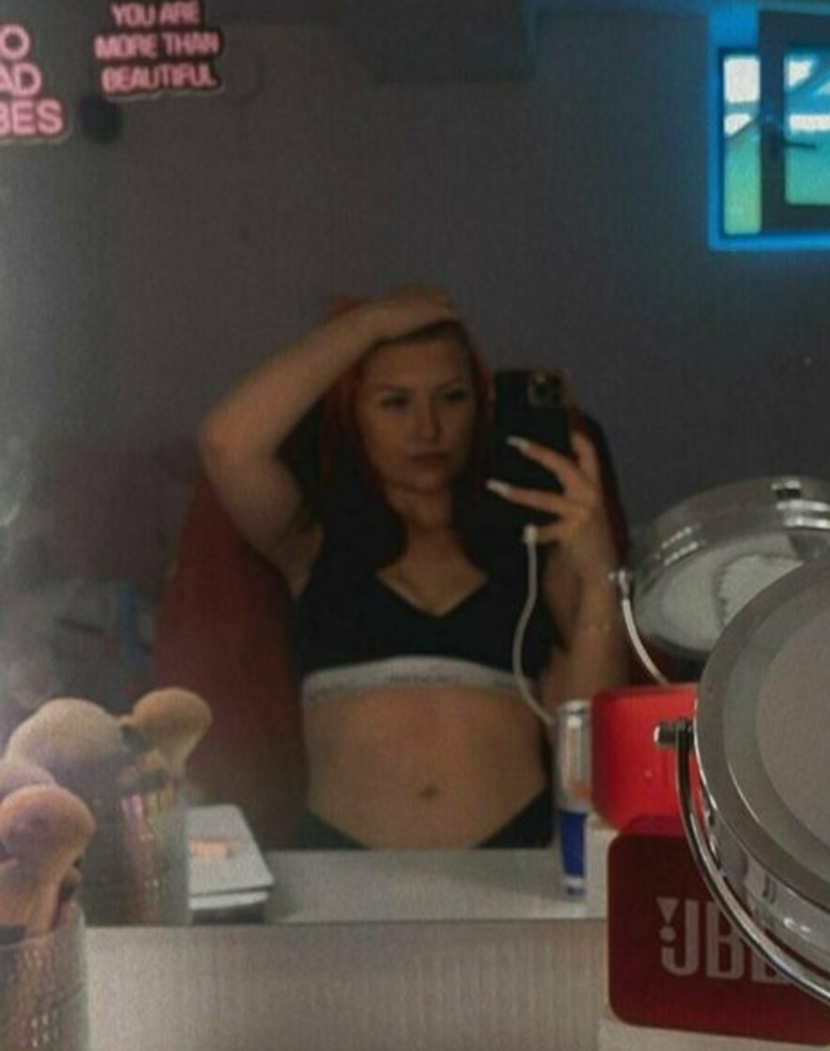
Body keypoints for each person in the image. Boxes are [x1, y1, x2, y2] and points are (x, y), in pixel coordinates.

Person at [194, 287, 630, 849]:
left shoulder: (528, 545)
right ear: (354, 410)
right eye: (395, 402)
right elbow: (226, 443)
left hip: (509, 860)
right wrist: (369, 323)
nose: (427, 428)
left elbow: (592, 742)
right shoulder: (313, 540)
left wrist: (599, 575)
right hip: (343, 865)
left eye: (452, 398)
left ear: (481, 405)